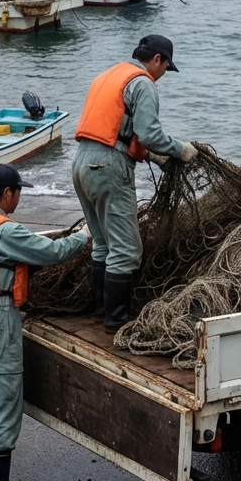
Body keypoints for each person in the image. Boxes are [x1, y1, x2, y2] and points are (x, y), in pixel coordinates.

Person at [0, 163, 91, 481]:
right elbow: (53, 253)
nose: (19, 197)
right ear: (8, 194)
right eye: (19, 192)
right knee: (1, 405)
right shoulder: (4, 230)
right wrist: (85, 236)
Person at [72, 34, 197, 334]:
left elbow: (117, 130)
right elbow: (149, 132)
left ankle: (101, 310)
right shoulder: (143, 83)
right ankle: (116, 321)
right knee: (127, 249)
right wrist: (180, 149)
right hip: (108, 168)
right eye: (166, 66)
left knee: (103, 243)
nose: (165, 73)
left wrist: (153, 156)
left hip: (81, 164)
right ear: (157, 60)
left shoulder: (110, 75)